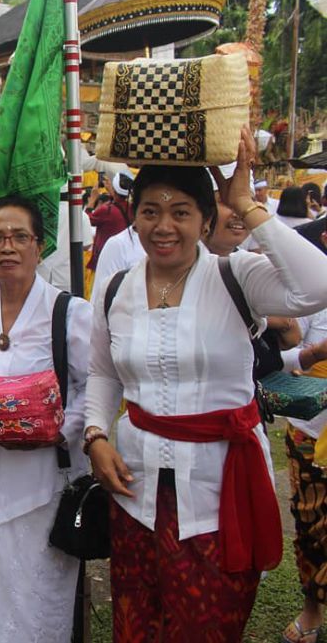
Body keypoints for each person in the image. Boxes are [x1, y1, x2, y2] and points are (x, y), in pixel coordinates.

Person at [84, 129, 327, 642]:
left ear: (206, 219)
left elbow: (317, 285)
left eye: (181, 212)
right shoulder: (115, 289)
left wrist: (245, 201)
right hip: (136, 491)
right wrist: (96, 436)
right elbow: (104, 372)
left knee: (209, 626)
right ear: (133, 215)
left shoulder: (237, 275)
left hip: (221, 493)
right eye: (150, 211)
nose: (164, 226)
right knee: (138, 626)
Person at [0, 196, 91, 641]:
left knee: (40, 591)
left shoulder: (70, 314)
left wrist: (52, 431)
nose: (7, 247)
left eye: (19, 237)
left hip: (45, 479)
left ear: (40, 246)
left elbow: (97, 389)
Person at [279, 310, 327, 643]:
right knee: (311, 528)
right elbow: (281, 351)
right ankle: (312, 609)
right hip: (310, 433)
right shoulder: (314, 282)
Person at [87, 169, 134, 272]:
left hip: (106, 257)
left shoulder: (106, 210)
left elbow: (87, 221)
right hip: (126, 256)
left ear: (114, 189)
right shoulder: (132, 208)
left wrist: (92, 200)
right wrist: (113, 192)